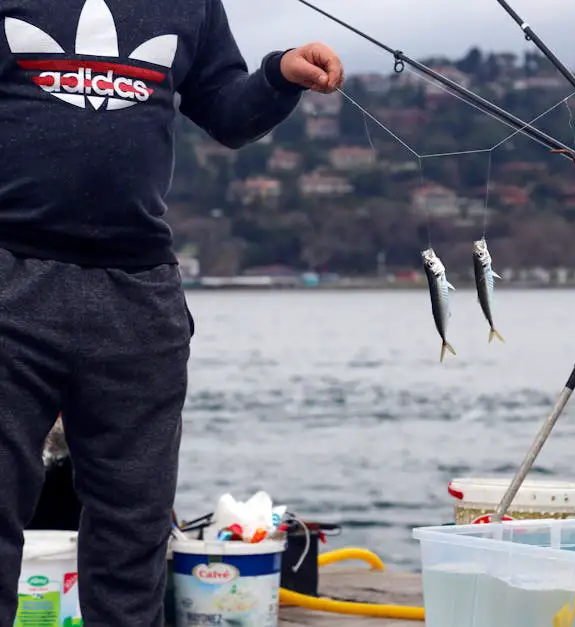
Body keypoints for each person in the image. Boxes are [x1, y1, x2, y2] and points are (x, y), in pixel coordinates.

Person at [0, 0, 343, 624]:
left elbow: (228, 112)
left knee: (134, 528)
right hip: (10, 278)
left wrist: (280, 74)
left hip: (139, 295)